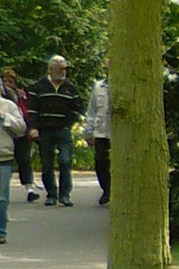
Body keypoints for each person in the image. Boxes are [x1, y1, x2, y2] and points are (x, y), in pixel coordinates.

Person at [26, 56, 81, 208]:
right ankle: (51, 195)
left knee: (65, 161)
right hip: (44, 130)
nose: (63, 72)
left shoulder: (70, 87)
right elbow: (32, 110)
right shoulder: (38, 87)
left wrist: (69, 124)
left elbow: (76, 108)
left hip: (63, 129)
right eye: (60, 69)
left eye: (65, 69)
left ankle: (65, 195)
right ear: (50, 69)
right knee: (47, 163)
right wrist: (33, 128)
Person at [1, 70, 32, 202]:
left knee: (24, 159)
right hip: (6, 138)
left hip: (18, 134)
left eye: (11, 81)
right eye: (5, 81)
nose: (8, 83)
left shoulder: (19, 96)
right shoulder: (6, 96)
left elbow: (24, 117)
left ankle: (29, 188)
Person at [83, 57, 108, 206]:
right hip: (101, 132)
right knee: (100, 162)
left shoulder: (126, 86)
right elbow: (91, 111)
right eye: (105, 68)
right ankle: (106, 189)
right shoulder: (98, 87)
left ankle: (115, 190)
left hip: (118, 134)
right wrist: (89, 131)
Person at [0, 86, 19, 242]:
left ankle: (1, 231)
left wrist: (5, 117)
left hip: (3, 156)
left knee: (1, 198)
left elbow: (21, 128)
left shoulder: (9, 106)